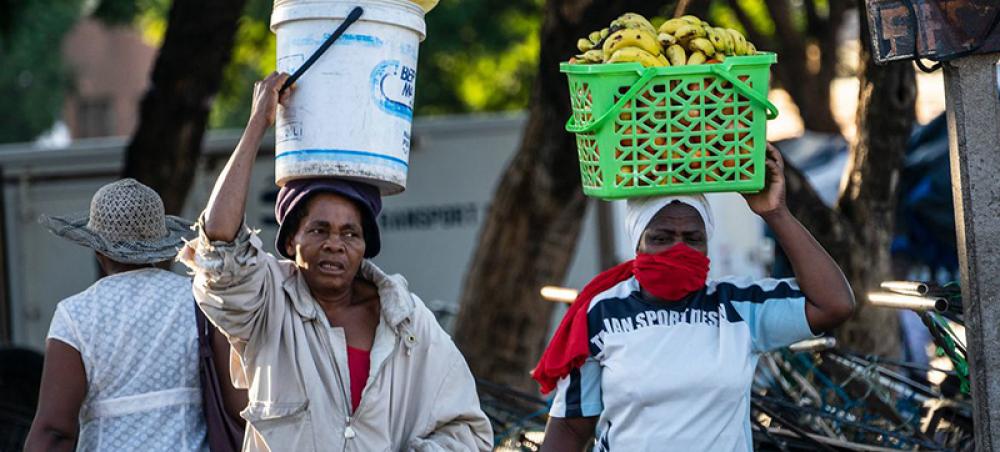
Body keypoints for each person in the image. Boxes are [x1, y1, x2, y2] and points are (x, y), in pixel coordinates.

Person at [179, 72, 492, 451]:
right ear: (291, 238)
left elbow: (467, 432)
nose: (334, 245)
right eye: (319, 230)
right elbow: (219, 247)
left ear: (365, 245)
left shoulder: (408, 322)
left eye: (350, 234)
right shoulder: (267, 304)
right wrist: (256, 125)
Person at [534, 144, 856, 451]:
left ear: (707, 243)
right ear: (637, 244)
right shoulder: (603, 313)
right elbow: (571, 428)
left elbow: (834, 304)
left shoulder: (738, 305)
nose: (678, 250)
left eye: (692, 238)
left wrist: (776, 213)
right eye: (661, 238)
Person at [24, 179, 208, 452]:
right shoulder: (198, 301)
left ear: (97, 250)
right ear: (160, 244)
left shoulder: (76, 315)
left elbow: (54, 431)